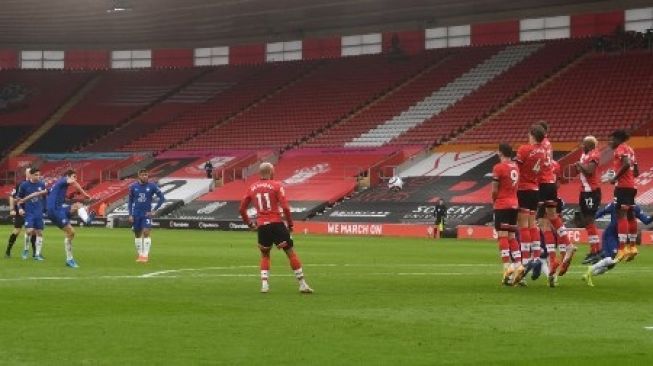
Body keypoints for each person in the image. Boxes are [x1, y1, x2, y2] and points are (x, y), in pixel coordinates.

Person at [239, 162, 313, 294]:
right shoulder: (277, 185)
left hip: (262, 226)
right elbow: (285, 207)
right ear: (271, 172)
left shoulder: (252, 187)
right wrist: (290, 224)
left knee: (265, 255)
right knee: (290, 253)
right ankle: (302, 284)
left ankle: (265, 285)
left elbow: (241, 209)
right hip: (276, 223)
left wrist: (249, 224)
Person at [582, 202, 652, 286]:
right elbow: (601, 212)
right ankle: (591, 268)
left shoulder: (635, 207)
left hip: (620, 238)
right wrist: (589, 221)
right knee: (611, 258)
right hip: (610, 235)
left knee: (611, 265)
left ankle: (588, 274)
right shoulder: (614, 205)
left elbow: (646, 220)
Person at [514, 124, 547, 285]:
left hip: (523, 189)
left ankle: (526, 260)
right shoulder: (543, 151)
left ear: (532, 135)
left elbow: (515, 169)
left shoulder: (525, 149)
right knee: (533, 224)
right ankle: (536, 256)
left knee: (523, 225)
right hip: (535, 189)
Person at [45, 169, 92, 268]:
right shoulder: (64, 179)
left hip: (59, 208)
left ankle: (87, 220)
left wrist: (24, 199)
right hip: (54, 211)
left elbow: (44, 192)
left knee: (78, 205)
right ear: (68, 176)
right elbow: (73, 182)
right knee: (71, 232)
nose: (75, 179)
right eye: (74, 176)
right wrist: (85, 194)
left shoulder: (57, 184)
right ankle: (69, 260)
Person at [491, 143, 523, 286]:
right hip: (514, 204)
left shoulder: (498, 168)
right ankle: (518, 265)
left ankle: (507, 267)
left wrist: (494, 201)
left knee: (502, 236)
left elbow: (494, 190)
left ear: (500, 153)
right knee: (511, 236)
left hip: (502, 204)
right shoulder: (515, 166)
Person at [607, 129, 638, 262]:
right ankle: (632, 247)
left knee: (621, 216)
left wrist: (615, 177)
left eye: (612, 139)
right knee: (631, 216)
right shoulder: (631, 150)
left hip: (623, 187)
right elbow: (636, 171)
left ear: (618, 139)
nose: (610, 142)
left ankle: (621, 249)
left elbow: (625, 164)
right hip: (631, 186)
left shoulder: (621, 148)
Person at [575, 136, 602, 265]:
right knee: (587, 221)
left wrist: (580, 165)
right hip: (584, 191)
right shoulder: (585, 154)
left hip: (591, 191)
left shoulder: (594, 154)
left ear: (589, 145)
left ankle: (596, 251)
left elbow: (589, 171)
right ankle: (594, 250)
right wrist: (580, 166)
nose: (582, 146)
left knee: (589, 220)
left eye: (584, 144)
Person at [128, 169, 165, 263]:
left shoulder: (152, 186)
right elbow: (130, 201)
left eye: (146, 175)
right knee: (137, 234)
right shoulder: (133, 187)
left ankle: (145, 255)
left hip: (146, 213)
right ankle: (140, 255)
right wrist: (130, 214)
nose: (145, 176)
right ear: (139, 176)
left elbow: (162, 198)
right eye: (143, 175)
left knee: (146, 232)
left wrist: (154, 210)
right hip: (136, 213)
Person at [16, 167, 47, 261]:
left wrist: (44, 209)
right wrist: (20, 208)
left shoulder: (42, 184)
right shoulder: (24, 185)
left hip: (39, 212)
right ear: (31, 175)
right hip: (29, 212)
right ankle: (26, 249)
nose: (38, 176)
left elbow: (44, 197)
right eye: (36, 175)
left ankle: (37, 254)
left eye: (39, 175)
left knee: (39, 233)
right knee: (29, 231)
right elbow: (18, 199)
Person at [5, 167, 37, 258]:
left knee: (33, 231)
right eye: (29, 172)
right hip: (20, 211)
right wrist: (12, 209)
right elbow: (12, 197)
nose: (31, 173)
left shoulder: (36, 183)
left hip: (32, 211)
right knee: (17, 230)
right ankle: (8, 251)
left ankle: (35, 252)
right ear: (26, 174)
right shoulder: (20, 184)